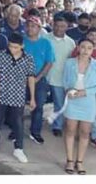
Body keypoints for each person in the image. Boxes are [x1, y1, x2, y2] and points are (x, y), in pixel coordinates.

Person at [0, 33, 36, 163]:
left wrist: (32, 97)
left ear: (22, 46)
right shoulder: (1, 55)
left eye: (16, 47)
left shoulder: (28, 59)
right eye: (11, 46)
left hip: (18, 95)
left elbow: (31, 78)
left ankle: (19, 149)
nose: (12, 49)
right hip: (2, 93)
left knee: (18, 122)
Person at [61, 38, 96, 174]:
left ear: (93, 50)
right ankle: (69, 160)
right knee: (70, 129)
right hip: (73, 100)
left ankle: (79, 161)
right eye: (83, 47)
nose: (86, 50)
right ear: (78, 48)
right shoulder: (70, 63)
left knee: (85, 132)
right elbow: (65, 80)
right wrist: (68, 90)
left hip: (88, 101)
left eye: (89, 48)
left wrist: (85, 92)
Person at [23, 16, 55, 145]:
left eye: (34, 26)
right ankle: (16, 130)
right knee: (18, 106)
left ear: (39, 28)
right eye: (28, 26)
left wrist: (38, 77)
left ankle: (35, 132)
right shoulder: (21, 41)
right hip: (21, 79)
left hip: (39, 79)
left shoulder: (45, 43)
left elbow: (49, 62)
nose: (30, 28)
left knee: (39, 105)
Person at [46, 15, 77, 137]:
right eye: (57, 25)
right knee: (38, 102)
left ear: (67, 27)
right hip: (44, 76)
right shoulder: (45, 38)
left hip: (60, 77)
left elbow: (72, 60)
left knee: (59, 103)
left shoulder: (70, 42)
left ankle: (57, 126)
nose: (59, 28)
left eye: (63, 26)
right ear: (53, 25)